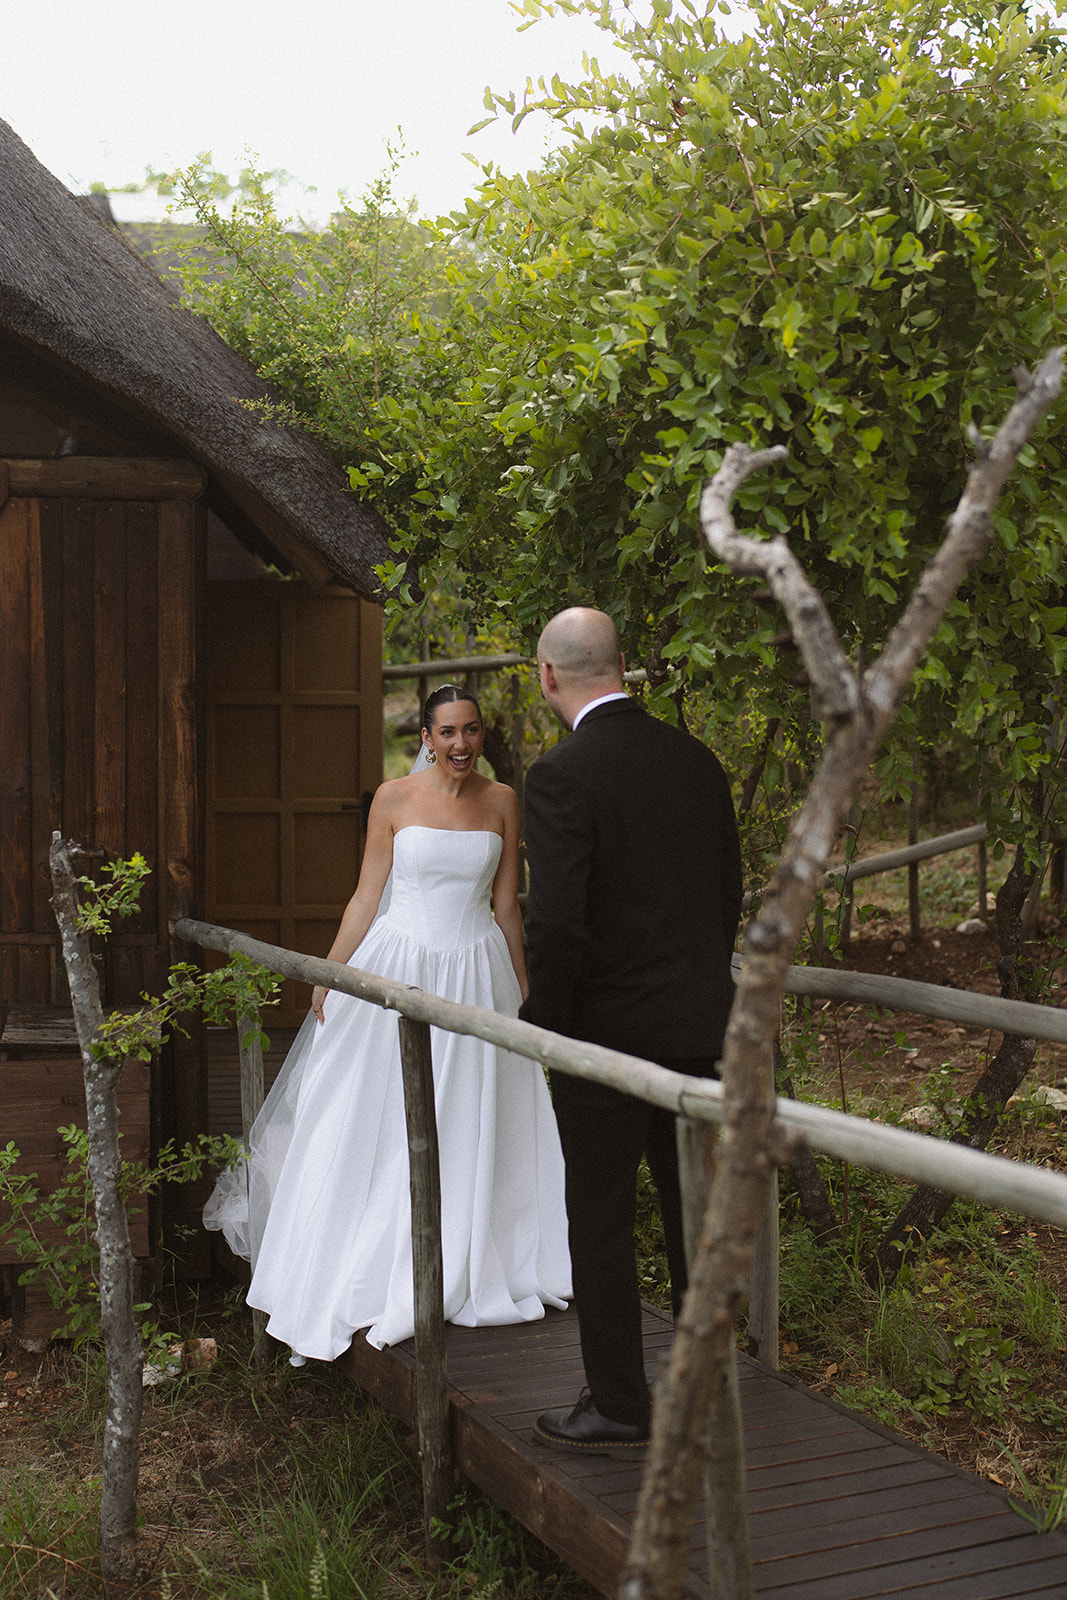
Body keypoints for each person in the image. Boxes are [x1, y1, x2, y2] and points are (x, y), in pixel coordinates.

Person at [204, 684, 571, 1363]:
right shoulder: (393, 799)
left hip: (476, 971)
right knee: (370, 1111)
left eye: (471, 730)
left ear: (481, 735)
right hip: (396, 962)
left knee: (472, 1110)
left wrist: (521, 986)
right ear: (426, 738)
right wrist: (331, 970)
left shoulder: (502, 802)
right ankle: (371, 1254)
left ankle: (477, 1251)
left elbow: (506, 904)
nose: (460, 744)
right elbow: (367, 893)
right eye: (447, 733)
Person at [519, 608, 742, 1456]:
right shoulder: (696, 760)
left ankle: (618, 1401)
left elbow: (560, 923)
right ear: (623, 666)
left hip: (603, 1037)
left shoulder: (561, 775)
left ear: (547, 674)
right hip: (696, 1025)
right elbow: (725, 893)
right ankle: (700, 1394)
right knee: (694, 1216)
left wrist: (548, 1026)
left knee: (602, 1219)